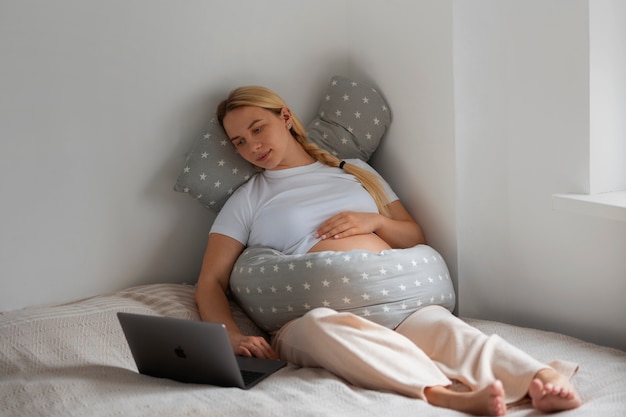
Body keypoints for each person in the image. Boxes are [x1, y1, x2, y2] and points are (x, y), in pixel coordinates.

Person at [194, 85, 582, 416]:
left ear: (285, 117)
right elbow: (210, 281)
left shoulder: (355, 172)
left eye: (257, 128)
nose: (252, 146)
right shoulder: (248, 199)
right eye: (239, 142)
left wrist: (374, 222)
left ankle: (541, 378)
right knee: (323, 328)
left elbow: (414, 235)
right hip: (311, 315)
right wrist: (230, 335)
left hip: (396, 303)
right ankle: (442, 395)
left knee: (447, 329)